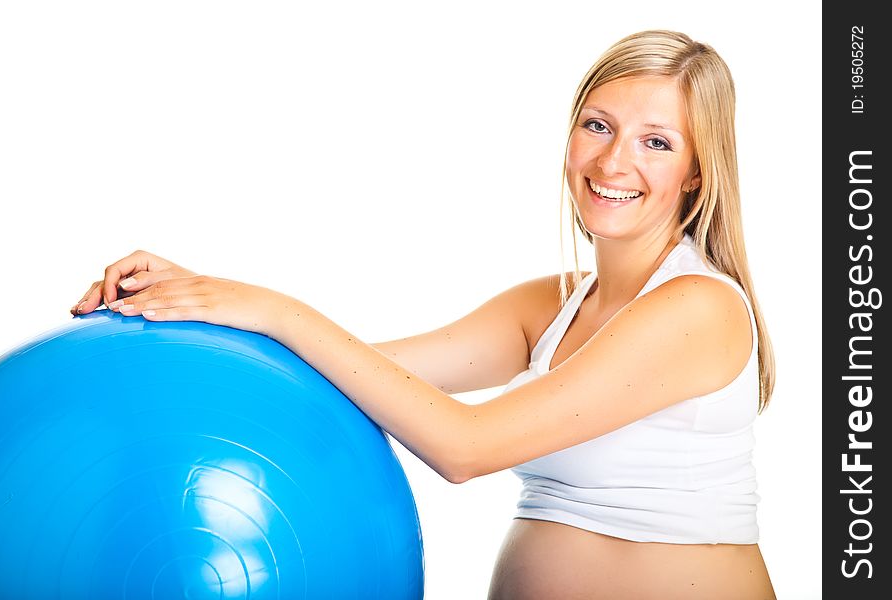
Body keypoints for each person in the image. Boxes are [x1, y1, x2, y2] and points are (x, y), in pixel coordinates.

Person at [70, 29, 777, 600]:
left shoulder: (698, 309)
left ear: (696, 172)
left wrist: (273, 309)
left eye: (657, 141)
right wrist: (199, 306)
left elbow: (466, 446)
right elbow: (354, 372)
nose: (614, 160)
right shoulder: (552, 305)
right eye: (598, 126)